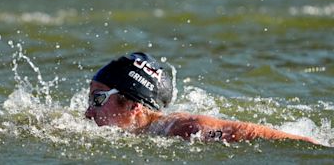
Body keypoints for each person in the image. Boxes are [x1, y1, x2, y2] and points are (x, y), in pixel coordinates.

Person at [85, 52, 318, 144]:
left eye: (98, 100)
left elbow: (244, 131)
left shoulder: (185, 129)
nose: (88, 112)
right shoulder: (142, 131)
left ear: (134, 106)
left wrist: (313, 145)